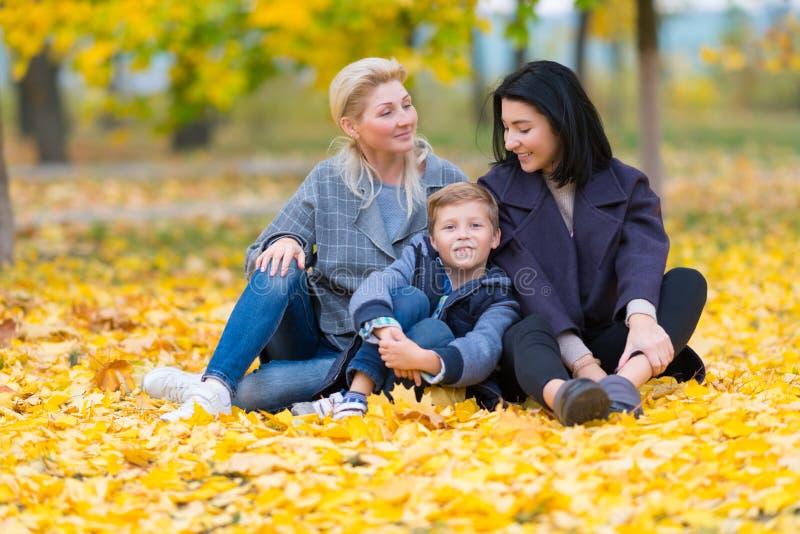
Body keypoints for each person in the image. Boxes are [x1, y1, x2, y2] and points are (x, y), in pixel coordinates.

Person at [142, 57, 467, 421]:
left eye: (407, 105)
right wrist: (286, 240)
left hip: (387, 348)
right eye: (387, 112)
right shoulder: (329, 179)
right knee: (278, 262)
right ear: (352, 126)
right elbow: (256, 259)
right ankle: (217, 385)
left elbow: (478, 264)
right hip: (315, 339)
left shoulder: (446, 182)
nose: (405, 119)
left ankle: (205, 388)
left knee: (253, 393)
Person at [477, 60, 707, 426]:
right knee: (523, 330)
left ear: (562, 122)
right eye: (506, 128)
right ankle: (573, 393)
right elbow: (525, 281)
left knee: (687, 282)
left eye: (523, 129)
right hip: (545, 353)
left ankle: (623, 386)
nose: (510, 142)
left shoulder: (626, 184)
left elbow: (642, 257)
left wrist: (643, 322)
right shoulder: (495, 193)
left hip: (614, 344)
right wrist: (584, 365)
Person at [291, 182, 520, 419]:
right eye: (450, 227)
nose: (463, 235)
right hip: (386, 355)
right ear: (433, 241)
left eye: (475, 226)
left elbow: (484, 349)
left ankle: (354, 398)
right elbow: (376, 284)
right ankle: (356, 396)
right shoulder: (420, 257)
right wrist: (386, 329)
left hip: (439, 383)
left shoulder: (499, 295)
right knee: (410, 298)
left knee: (432, 330)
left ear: (495, 237)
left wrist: (423, 359)